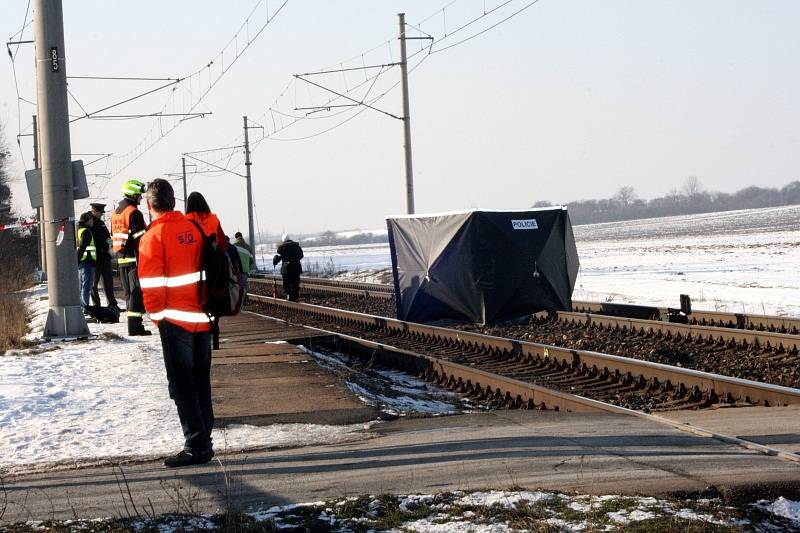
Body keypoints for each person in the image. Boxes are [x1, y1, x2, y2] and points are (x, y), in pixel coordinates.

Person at [138, 179, 214, 468]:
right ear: (173, 201)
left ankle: (197, 446)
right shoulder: (193, 229)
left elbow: (151, 287)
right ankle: (204, 439)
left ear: (150, 205)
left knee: (182, 385)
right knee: (200, 382)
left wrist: (158, 319)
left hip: (175, 321)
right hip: (202, 319)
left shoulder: (153, 237)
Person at [111, 179, 151, 336]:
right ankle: (135, 328)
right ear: (133, 195)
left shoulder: (116, 213)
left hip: (121, 259)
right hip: (135, 258)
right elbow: (140, 238)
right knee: (136, 293)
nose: (141, 198)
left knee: (129, 293)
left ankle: (134, 326)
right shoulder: (133, 213)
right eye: (139, 195)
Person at [88, 203, 119, 311]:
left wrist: (112, 244)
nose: (101, 215)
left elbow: (107, 237)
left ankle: (113, 305)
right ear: (94, 211)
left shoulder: (101, 223)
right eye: (100, 213)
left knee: (108, 282)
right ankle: (97, 306)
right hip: (95, 258)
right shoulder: (88, 223)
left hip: (105, 257)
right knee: (94, 284)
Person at [273, 233, 303, 301]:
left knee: (286, 283)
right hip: (296, 268)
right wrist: (294, 260)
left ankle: (289, 295)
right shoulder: (297, 246)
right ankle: (295, 296)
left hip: (286, 268)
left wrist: (275, 261)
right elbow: (301, 256)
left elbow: (277, 258)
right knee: (295, 282)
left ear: (283, 240)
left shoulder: (281, 248)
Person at [76, 212, 96, 308]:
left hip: (83, 262)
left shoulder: (80, 230)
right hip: (87, 262)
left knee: (82, 286)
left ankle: (82, 306)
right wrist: (78, 260)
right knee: (86, 286)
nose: (93, 221)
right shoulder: (86, 232)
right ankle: (85, 307)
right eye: (91, 219)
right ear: (87, 220)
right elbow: (83, 247)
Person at [233, 231, 254, 305]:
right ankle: (244, 300)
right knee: (244, 285)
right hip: (245, 270)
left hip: (236, 270)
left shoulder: (234, 246)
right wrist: (247, 266)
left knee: (236, 286)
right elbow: (252, 260)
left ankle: (239, 301)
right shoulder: (248, 247)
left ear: (236, 238)